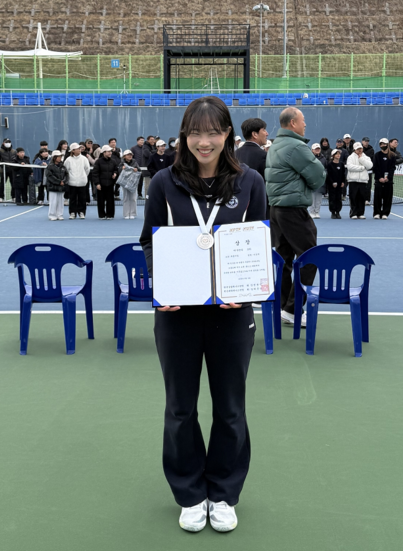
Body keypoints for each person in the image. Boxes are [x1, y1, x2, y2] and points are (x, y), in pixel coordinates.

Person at [139, 96, 265, 534]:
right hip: (178, 314)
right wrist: (161, 286)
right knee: (180, 409)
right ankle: (190, 493)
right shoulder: (164, 182)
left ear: (227, 134)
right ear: (184, 136)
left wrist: (245, 291)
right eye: (195, 133)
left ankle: (224, 493)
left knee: (230, 408)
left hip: (231, 314)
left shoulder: (249, 181)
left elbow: (259, 239)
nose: (204, 142)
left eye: (213, 132)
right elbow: (150, 241)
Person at [265, 107, 326, 325]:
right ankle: (292, 309)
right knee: (311, 257)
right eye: (303, 120)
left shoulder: (275, 145)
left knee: (284, 260)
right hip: (292, 209)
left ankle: (284, 306)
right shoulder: (296, 146)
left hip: (276, 208)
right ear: (293, 123)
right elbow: (318, 176)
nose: (305, 124)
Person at [346, 142, 373, 219]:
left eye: (360, 148)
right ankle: (353, 213)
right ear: (354, 149)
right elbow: (350, 167)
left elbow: (369, 166)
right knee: (353, 197)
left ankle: (360, 213)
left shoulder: (366, 157)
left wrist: (361, 159)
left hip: (363, 180)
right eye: (358, 149)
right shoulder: (350, 157)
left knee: (362, 197)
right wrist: (361, 168)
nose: (359, 150)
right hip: (353, 180)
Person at [65, 142, 91, 219]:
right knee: (72, 198)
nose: (80, 149)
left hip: (82, 182)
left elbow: (87, 169)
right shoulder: (68, 160)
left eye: (80, 148)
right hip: (71, 183)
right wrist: (71, 178)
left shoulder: (84, 159)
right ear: (73, 150)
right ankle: (72, 213)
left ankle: (81, 212)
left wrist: (83, 177)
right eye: (77, 148)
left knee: (82, 198)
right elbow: (66, 170)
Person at [372, 138, 397, 219]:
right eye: (381, 144)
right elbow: (375, 168)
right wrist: (379, 178)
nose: (383, 145)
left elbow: (392, 168)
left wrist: (388, 178)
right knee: (377, 198)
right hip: (378, 181)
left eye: (384, 144)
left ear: (387, 145)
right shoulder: (377, 155)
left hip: (388, 181)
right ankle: (377, 213)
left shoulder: (392, 155)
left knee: (387, 198)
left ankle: (385, 213)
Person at [91, 145, 118, 220]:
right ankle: (101, 215)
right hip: (101, 184)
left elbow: (116, 169)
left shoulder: (113, 161)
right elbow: (95, 173)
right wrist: (97, 183)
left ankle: (110, 215)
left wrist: (115, 173)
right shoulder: (98, 162)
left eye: (110, 151)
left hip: (110, 184)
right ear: (104, 152)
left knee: (110, 200)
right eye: (108, 151)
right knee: (101, 200)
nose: (110, 153)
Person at [308, 142, 329, 219]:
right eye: (315, 149)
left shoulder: (323, 158)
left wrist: (324, 174)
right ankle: (312, 212)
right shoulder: (309, 158)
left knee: (319, 198)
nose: (317, 150)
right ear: (312, 150)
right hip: (312, 181)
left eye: (318, 149)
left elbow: (326, 168)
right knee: (312, 197)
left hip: (321, 181)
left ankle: (317, 212)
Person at [45, 150, 67, 221]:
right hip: (53, 187)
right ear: (54, 158)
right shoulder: (50, 166)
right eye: (58, 157)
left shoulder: (63, 166)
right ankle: (52, 215)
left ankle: (60, 215)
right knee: (53, 202)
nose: (60, 158)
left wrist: (63, 181)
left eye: (60, 156)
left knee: (60, 202)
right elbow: (50, 176)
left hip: (61, 187)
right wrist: (58, 182)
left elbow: (66, 175)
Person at [119, 149, 141, 219]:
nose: (130, 156)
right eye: (128, 155)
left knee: (133, 198)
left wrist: (136, 169)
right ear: (124, 156)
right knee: (126, 198)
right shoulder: (121, 163)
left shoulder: (135, 162)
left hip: (133, 182)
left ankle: (132, 213)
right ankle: (126, 214)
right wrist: (122, 168)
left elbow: (139, 170)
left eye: (131, 155)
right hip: (125, 182)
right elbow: (118, 170)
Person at [325, 149, 346, 218]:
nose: (338, 155)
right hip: (332, 185)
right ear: (333, 155)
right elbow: (329, 175)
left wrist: (343, 182)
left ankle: (338, 212)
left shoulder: (341, 164)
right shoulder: (329, 164)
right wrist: (332, 182)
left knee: (338, 198)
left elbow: (343, 174)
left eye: (339, 154)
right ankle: (333, 212)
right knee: (332, 198)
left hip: (339, 185)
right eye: (337, 154)